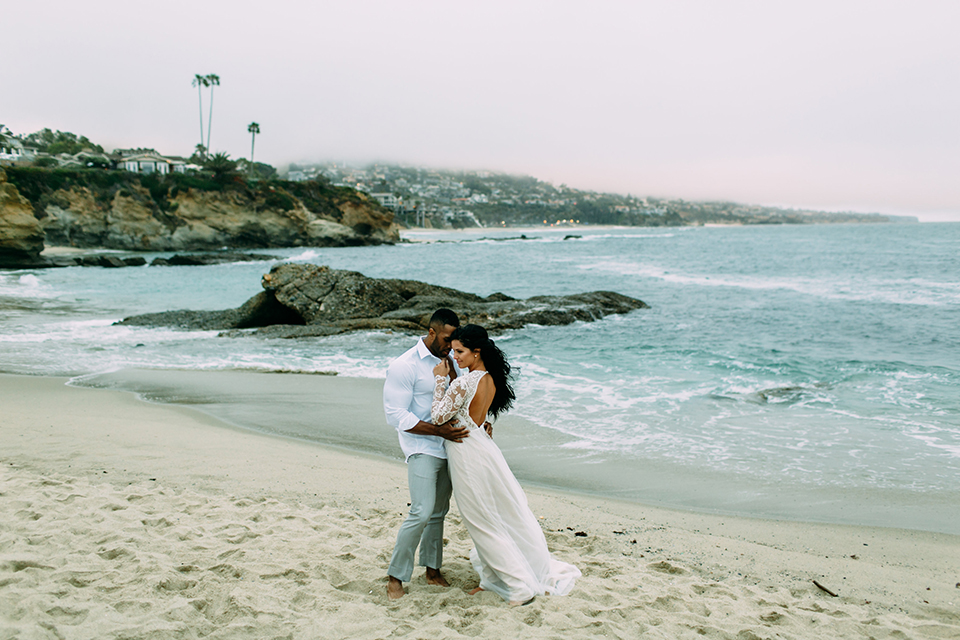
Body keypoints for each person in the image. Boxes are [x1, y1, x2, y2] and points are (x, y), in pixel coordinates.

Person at [431, 324, 581, 605]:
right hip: (483, 451)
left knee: (481, 521)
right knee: (491, 516)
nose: (455, 358)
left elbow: (438, 416)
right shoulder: (489, 379)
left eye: (460, 352)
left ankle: (517, 585)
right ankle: (492, 580)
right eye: (453, 352)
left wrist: (440, 380)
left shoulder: (463, 382)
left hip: (467, 456)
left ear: (477, 352)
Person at [382, 308, 470, 600]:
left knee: (438, 513)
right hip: (421, 446)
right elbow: (395, 415)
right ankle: (396, 576)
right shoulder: (404, 365)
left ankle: (432, 570)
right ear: (431, 332)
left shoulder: (453, 361)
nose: (450, 345)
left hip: (450, 447)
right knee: (421, 511)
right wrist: (437, 432)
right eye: (446, 338)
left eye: (453, 340)